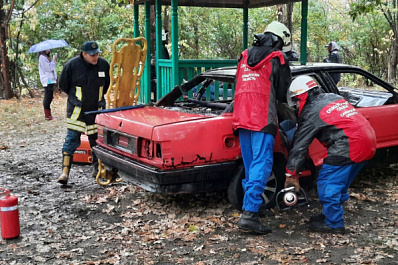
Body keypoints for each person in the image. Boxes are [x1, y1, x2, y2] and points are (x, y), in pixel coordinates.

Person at [284, 75, 377, 234]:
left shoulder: (311, 112)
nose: (296, 105)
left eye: (296, 101)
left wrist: (291, 174)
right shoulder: (332, 97)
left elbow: (300, 146)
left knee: (328, 182)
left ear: (302, 96)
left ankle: (334, 223)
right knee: (340, 183)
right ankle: (330, 214)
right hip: (369, 141)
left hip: (349, 144)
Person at [232, 21, 292, 234]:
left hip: (241, 116)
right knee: (262, 165)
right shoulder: (278, 58)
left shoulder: (244, 55)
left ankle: (253, 207)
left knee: (251, 165)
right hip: (262, 118)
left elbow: (238, 83)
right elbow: (284, 91)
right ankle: (249, 216)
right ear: (279, 39)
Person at [57, 41, 110, 185]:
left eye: (97, 54)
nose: (95, 57)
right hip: (77, 110)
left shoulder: (104, 65)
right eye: (92, 55)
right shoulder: (72, 65)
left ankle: (97, 170)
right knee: (72, 139)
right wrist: (76, 98)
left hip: (96, 109)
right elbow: (63, 84)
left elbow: (106, 85)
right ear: (84, 54)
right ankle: (65, 173)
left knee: (97, 141)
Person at [38, 50, 57, 120]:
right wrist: (54, 60)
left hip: (50, 79)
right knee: (48, 97)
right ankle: (47, 115)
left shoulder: (45, 57)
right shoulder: (42, 58)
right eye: (47, 49)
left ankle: (48, 114)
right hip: (47, 80)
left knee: (50, 96)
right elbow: (49, 68)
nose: (49, 50)